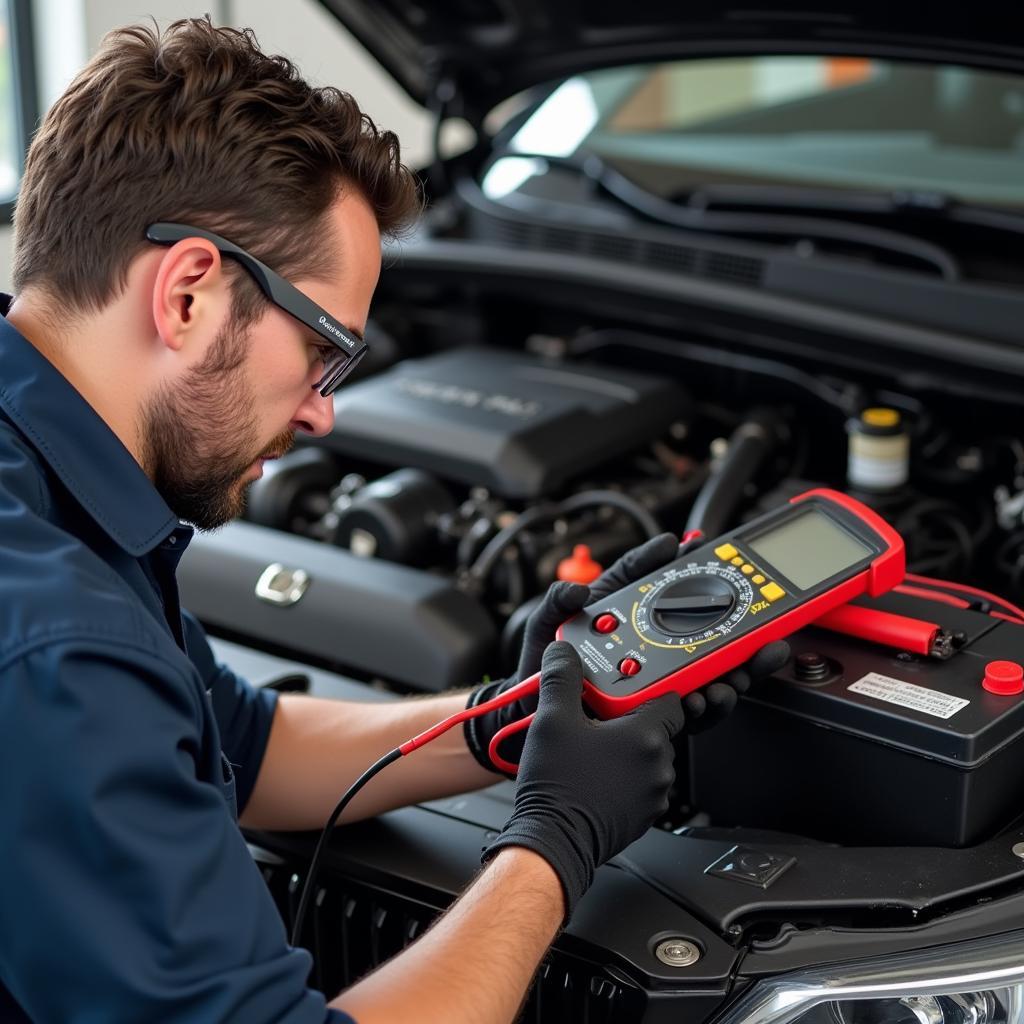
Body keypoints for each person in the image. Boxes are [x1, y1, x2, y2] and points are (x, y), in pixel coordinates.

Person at [0, 18, 787, 1024]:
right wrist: (554, 839)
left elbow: (241, 740)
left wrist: (508, 718)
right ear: (190, 292)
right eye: (325, 352)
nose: (326, 410)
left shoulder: (52, 500)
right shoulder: (59, 647)